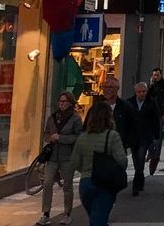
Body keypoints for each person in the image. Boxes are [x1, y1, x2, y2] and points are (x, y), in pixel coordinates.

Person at [70, 98, 128, 226]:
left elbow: (74, 162)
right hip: (105, 183)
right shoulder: (112, 136)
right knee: (99, 220)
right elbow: (122, 161)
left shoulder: (83, 137)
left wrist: (86, 169)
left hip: (85, 183)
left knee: (96, 218)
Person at [38, 91, 82, 225]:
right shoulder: (52, 117)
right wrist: (49, 137)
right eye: (60, 101)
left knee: (67, 185)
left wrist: (61, 138)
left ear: (70, 103)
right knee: (47, 183)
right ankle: (45, 213)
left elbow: (78, 136)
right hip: (52, 156)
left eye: (64, 102)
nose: (62, 104)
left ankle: (67, 213)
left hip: (67, 156)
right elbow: (46, 133)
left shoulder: (75, 118)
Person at [126, 83, 161, 197]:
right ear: (135, 92)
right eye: (139, 92)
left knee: (141, 158)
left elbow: (156, 119)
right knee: (136, 159)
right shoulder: (129, 102)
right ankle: (140, 179)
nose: (142, 94)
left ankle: (136, 185)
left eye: (144, 91)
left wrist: (156, 135)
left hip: (145, 135)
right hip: (133, 135)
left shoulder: (151, 102)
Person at [100, 79, 135, 154]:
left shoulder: (126, 107)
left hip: (119, 148)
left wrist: (127, 144)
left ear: (117, 89)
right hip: (100, 147)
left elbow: (133, 127)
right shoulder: (97, 107)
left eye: (111, 87)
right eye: (105, 87)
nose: (107, 90)